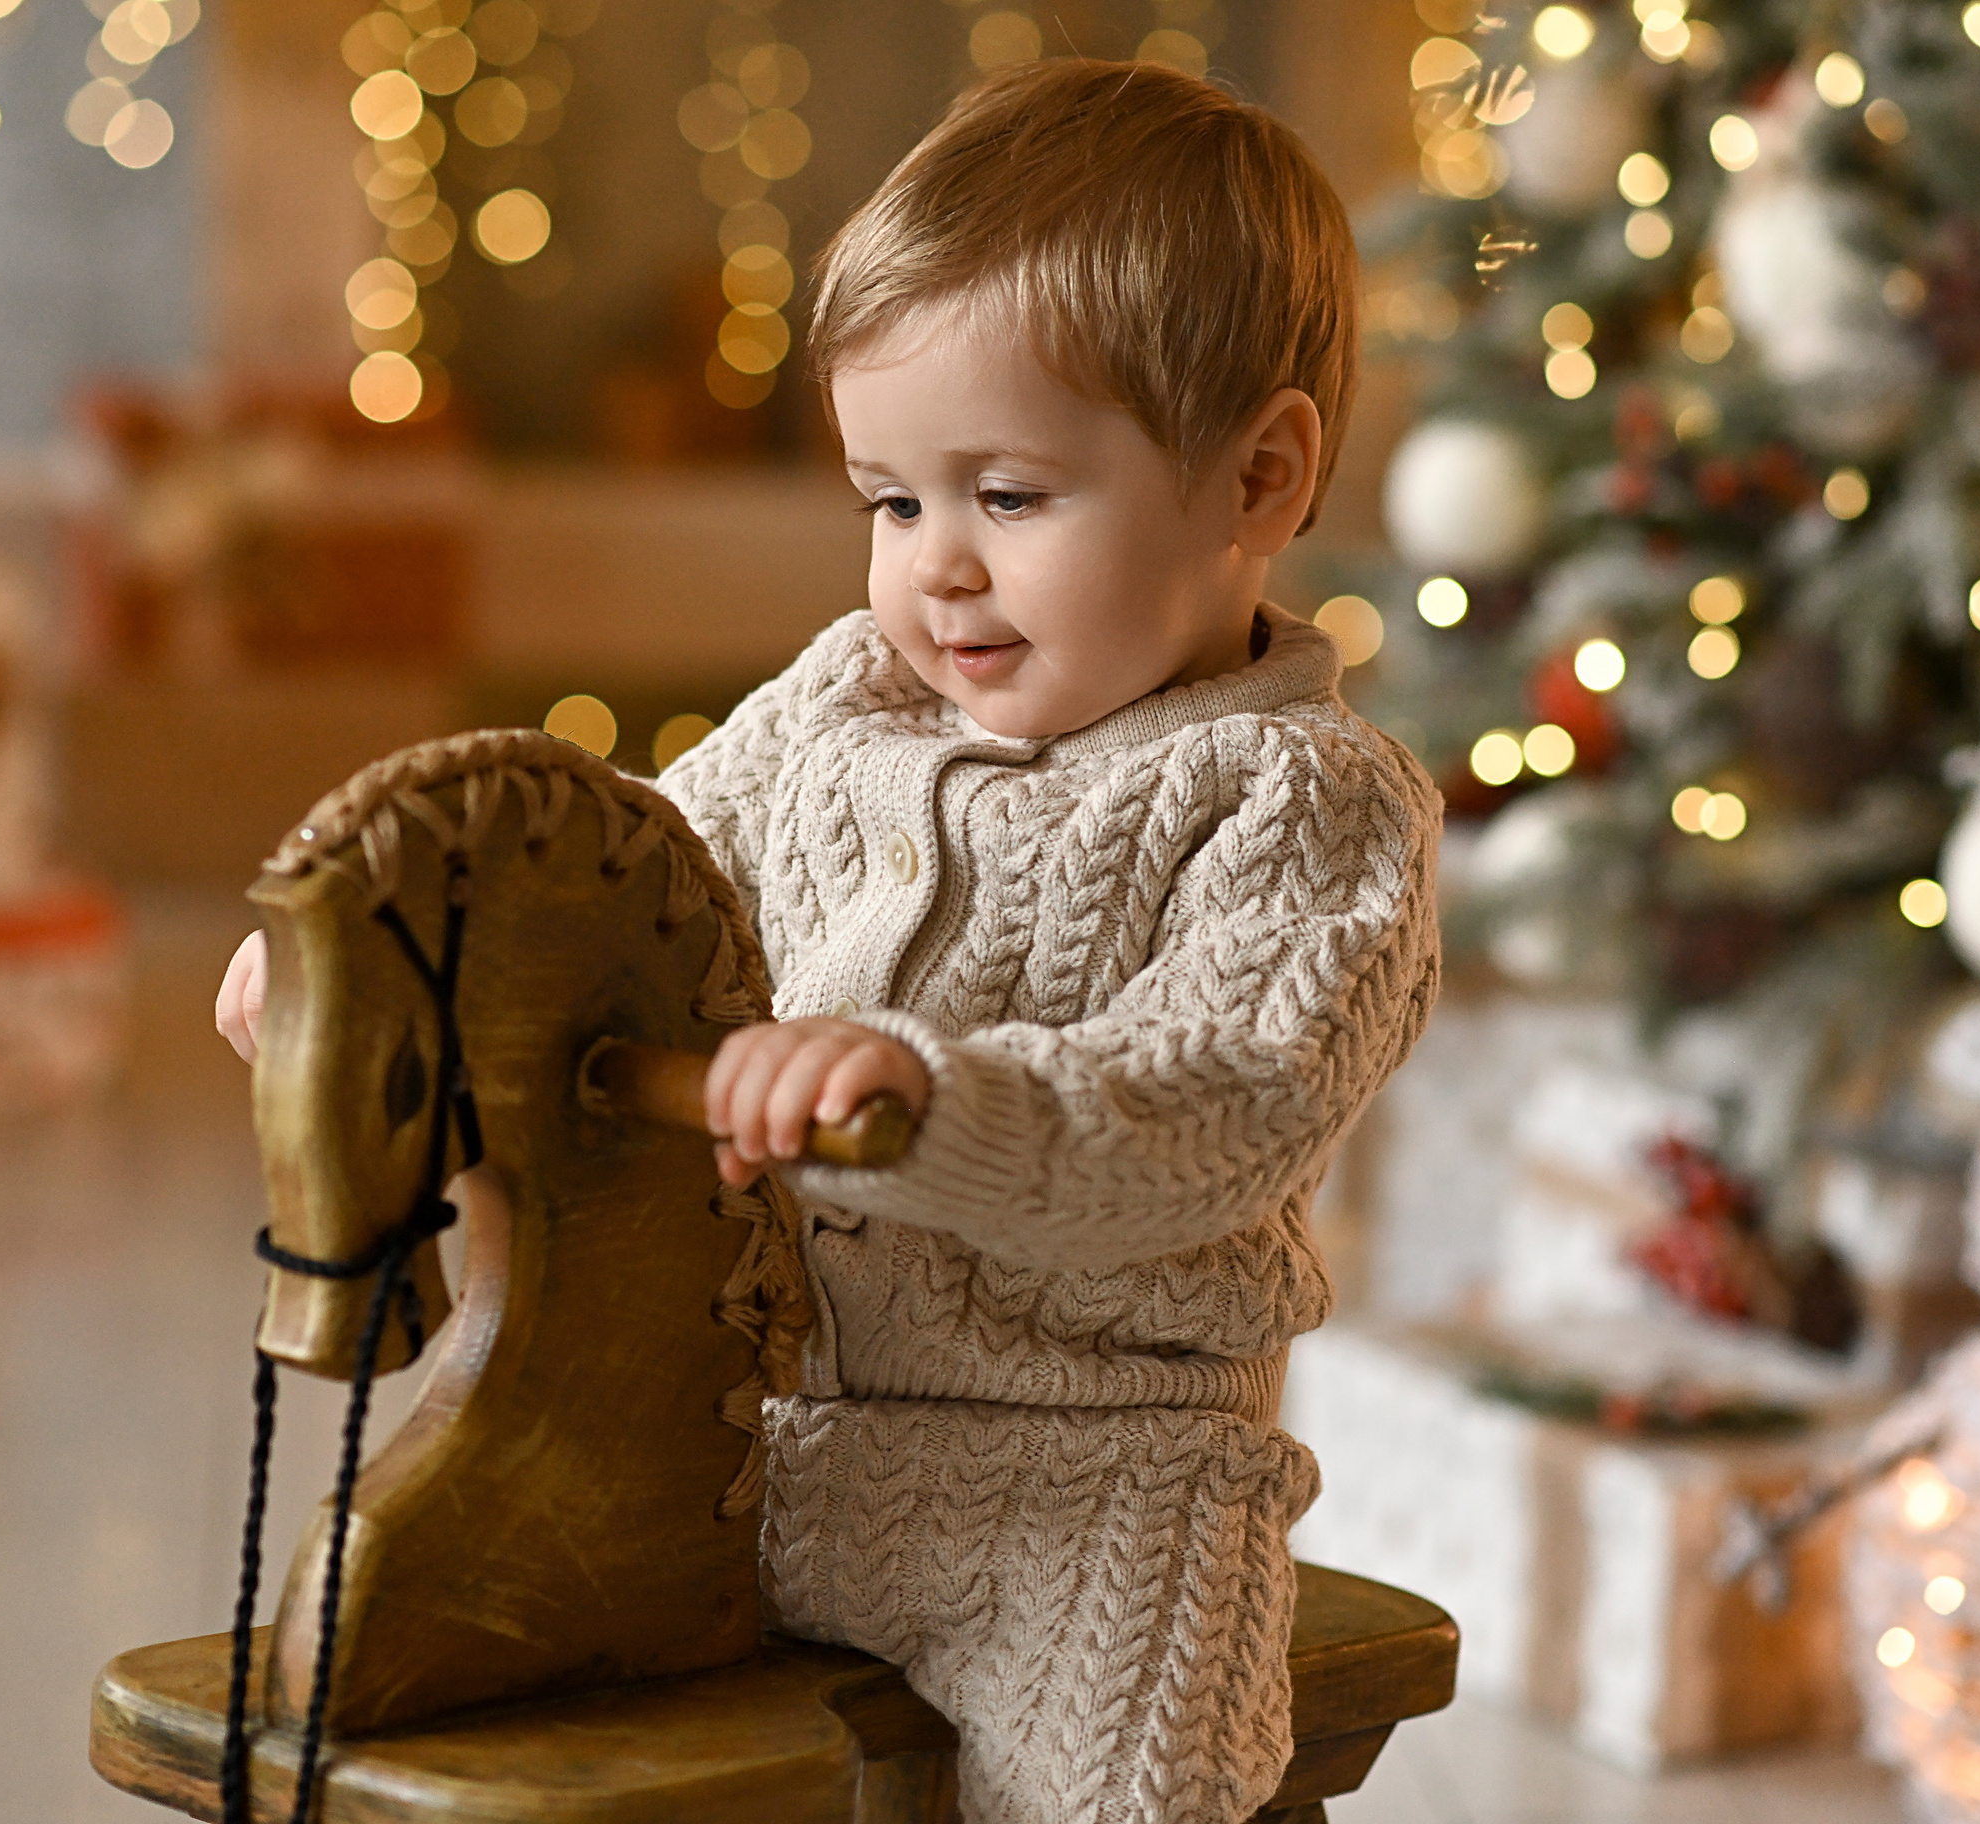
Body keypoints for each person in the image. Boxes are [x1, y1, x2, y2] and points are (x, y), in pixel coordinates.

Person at [221, 58, 1440, 1824]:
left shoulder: (1300, 800)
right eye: (892, 501)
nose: (936, 567)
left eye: (1007, 497)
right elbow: (627, 874)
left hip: (1091, 1489)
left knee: (1129, 1792)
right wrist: (381, 950)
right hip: (745, 1442)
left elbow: (1208, 1108)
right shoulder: (840, 702)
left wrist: (925, 1096)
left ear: (1258, 477)